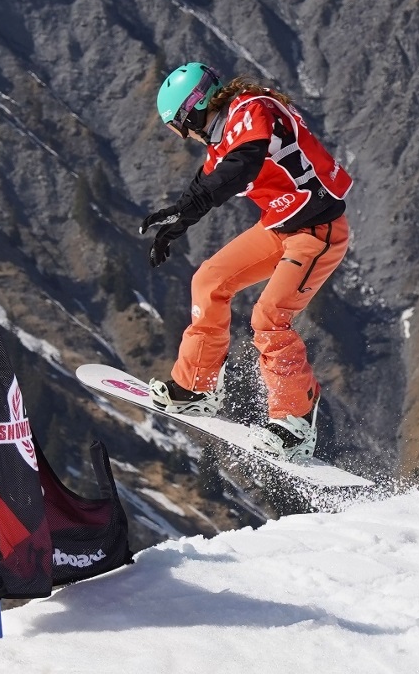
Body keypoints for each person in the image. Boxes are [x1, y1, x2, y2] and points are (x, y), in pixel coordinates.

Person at [141, 62, 352, 463]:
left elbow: (241, 168)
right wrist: (175, 223)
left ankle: (296, 422)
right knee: (209, 281)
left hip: (319, 232)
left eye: (178, 126)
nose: (182, 135)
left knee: (269, 317)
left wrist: (187, 210)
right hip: (281, 227)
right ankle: (196, 388)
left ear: (192, 111)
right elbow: (207, 182)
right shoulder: (226, 132)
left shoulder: (251, 109)